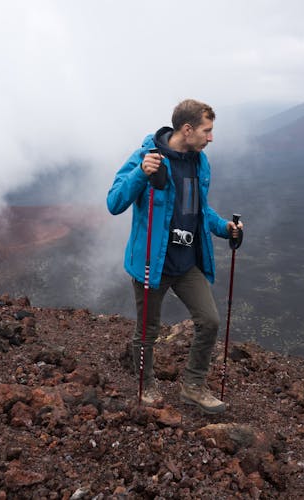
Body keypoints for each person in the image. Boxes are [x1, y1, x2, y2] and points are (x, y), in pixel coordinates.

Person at [106, 99, 242, 414]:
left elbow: (198, 209)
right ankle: (147, 383)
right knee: (147, 331)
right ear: (187, 129)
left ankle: (193, 387)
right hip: (153, 263)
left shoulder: (199, 162)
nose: (210, 138)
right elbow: (114, 202)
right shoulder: (147, 156)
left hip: (187, 260)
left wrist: (225, 228)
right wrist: (142, 173)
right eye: (206, 131)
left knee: (209, 321)